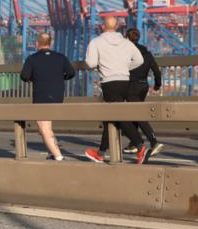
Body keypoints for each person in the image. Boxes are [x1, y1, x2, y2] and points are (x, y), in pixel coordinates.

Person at [84, 16, 149, 164]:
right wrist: (125, 68)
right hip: (125, 81)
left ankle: (140, 146)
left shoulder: (96, 42)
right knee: (111, 117)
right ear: (118, 26)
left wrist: (101, 66)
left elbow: (91, 62)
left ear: (102, 26)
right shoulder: (126, 43)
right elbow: (139, 60)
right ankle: (100, 153)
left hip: (109, 82)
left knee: (117, 116)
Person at [19, 32, 76, 160]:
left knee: (43, 128)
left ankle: (58, 156)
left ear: (36, 44)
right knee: (46, 127)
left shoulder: (32, 58)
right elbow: (71, 72)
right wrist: (62, 78)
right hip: (57, 96)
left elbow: (24, 76)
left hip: (41, 96)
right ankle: (53, 151)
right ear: (51, 43)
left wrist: (32, 78)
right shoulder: (60, 57)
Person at [125, 28, 164, 159]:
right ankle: (134, 143)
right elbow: (156, 71)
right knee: (135, 113)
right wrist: (157, 85)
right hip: (144, 86)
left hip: (132, 86)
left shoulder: (127, 52)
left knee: (138, 115)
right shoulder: (147, 53)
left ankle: (154, 142)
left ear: (127, 38)